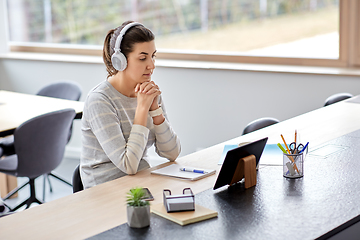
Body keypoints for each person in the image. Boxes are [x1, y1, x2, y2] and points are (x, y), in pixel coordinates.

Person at [80, 21, 181, 189]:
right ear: (120, 62)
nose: (152, 65)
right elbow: (128, 165)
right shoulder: (100, 100)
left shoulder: (148, 93)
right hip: (105, 189)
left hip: (140, 182)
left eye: (153, 56)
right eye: (142, 58)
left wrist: (155, 111)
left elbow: (172, 153)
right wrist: (142, 109)